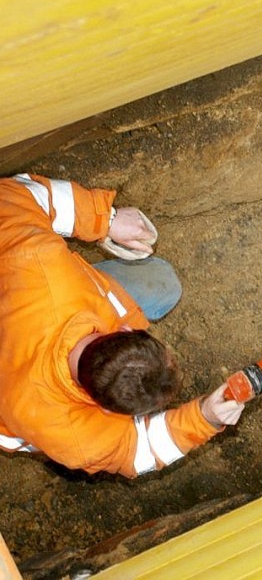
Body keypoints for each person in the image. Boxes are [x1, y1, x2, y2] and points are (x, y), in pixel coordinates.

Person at [0, 172, 244, 478]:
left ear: (125, 331)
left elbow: (13, 195)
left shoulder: (40, 260)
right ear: (103, 410)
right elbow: (136, 452)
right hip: (25, 406)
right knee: (163, 287)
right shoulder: (76, 439)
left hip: (22, 292)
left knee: (162, 284)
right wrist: (205, 416)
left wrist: (105, 220)